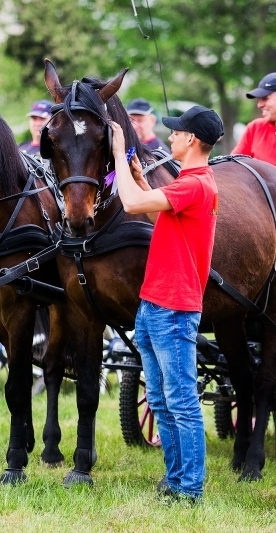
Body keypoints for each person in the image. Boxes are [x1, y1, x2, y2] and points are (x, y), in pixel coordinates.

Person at [110, 105, 222, 503]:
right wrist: (141, 178)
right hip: (155, 304)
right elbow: (164, 219)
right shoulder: (189, 182)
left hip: (173, 309)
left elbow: (130, 205)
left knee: (182, 403)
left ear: (191, 140)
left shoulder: (196, 184)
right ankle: (175, 480)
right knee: (159, 400)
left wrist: (120, 149)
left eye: (176, 133)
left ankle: (189, 489)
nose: (169, 136)